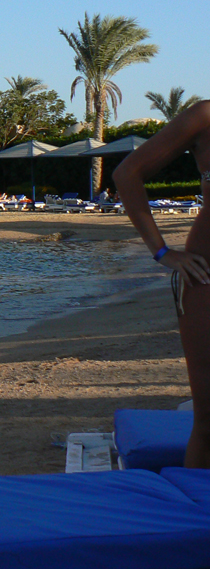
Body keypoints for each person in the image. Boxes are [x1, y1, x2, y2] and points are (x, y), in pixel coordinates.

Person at [113, 100, 210, 468]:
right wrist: (162, 252)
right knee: (208, 424)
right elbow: (127, 174)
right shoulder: (205, 116)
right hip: (205, 273)